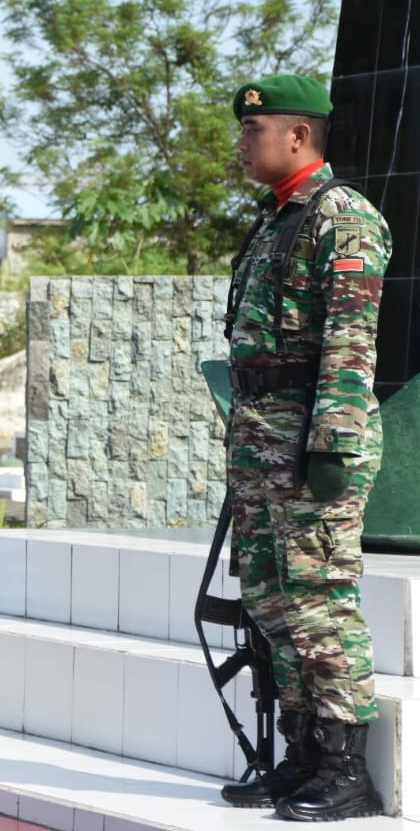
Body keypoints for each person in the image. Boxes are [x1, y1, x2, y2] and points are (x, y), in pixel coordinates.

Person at [219, 74, 389, 822]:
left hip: (312, 445)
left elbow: (351, 348)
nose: (241, 142)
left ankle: (347, 768)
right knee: (272, 601)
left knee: (320, 603)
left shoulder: (342, 217)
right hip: (263, 440)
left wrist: (330, 450)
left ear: (298, 136)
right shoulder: (276, 219)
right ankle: (303, 754)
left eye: (253, 130)